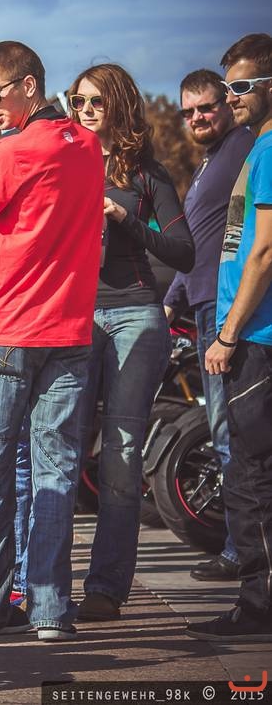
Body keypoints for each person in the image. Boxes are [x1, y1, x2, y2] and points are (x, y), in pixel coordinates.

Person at [0, 41, 104, 641]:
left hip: (8, 331)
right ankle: (49, 611)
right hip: (69, 330)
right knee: (57, 473)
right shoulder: (89, 146)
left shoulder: (12, 151)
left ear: (29, 86)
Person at [65, 64, 195, 622]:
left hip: (134, 315)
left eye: (96, 101)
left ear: (119, 104)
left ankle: (106, 589)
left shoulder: (146, 173)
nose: (85, 110)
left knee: (119, 457)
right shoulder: (63, 162)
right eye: (77, 101)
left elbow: (184, 252)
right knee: (59, 449)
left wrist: (124, 218)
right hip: (70, 315)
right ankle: (42, 589)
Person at [189, 32, 272, 643]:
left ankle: (258, 605)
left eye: (241, 85)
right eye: (228, 85)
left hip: (256, 338)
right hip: (252, 335)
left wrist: (228, 333)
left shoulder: (268, 150)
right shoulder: (257, 147)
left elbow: (264, 251)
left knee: (250, 475)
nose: (231, 96)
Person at [163, 69, 255, 582]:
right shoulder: (209, 163)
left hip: (226, 312)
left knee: (230, 431)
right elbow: (196, 244)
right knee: (225, 429)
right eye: (189, 111)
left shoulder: (243, 147)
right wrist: (172, 301)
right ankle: (241, 548)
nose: (197, 117)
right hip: (201, 306)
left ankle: (243, 553)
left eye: (206, 106)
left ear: (228, 104)